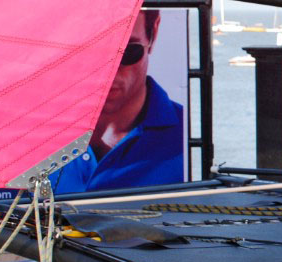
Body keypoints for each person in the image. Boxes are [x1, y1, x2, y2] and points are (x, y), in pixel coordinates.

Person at [52, 10, 186, 194]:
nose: (109, 70)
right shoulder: (26, 132)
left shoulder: (186, 136)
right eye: (91, 52)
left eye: (129, 52)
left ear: (153, 34)